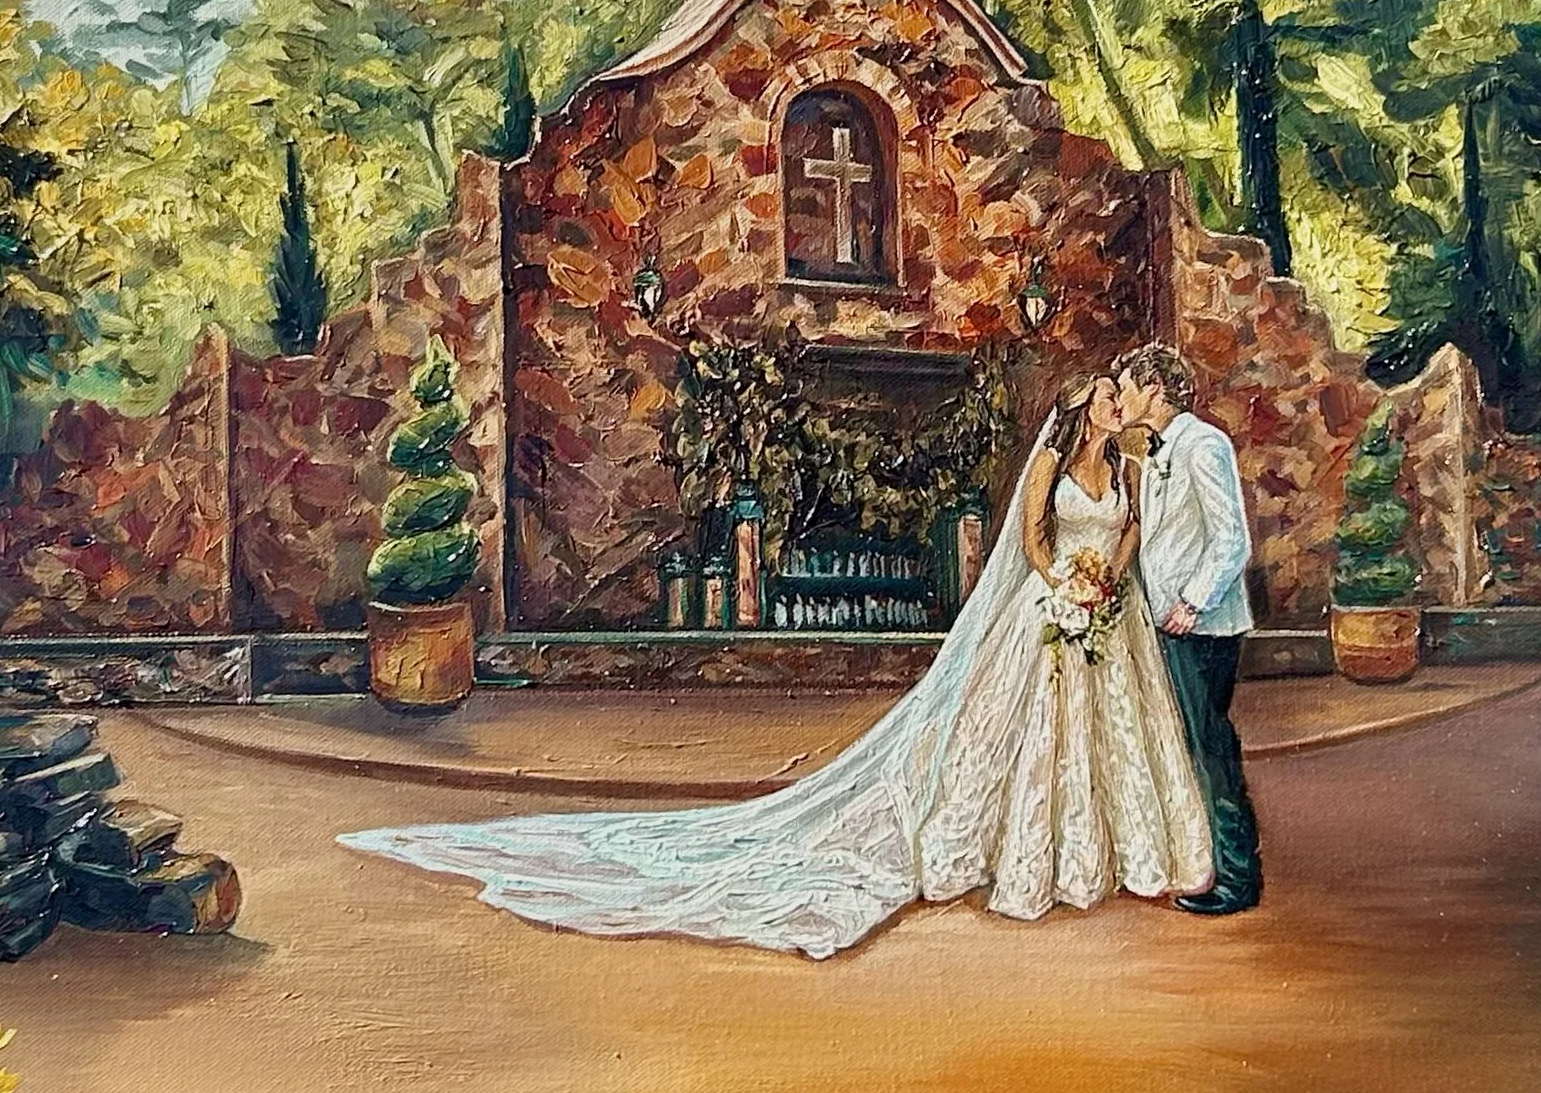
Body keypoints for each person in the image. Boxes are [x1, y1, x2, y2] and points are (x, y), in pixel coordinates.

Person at [337, 372, 1216, 958]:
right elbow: (1030, 538)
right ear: (1082, 410)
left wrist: (1107, 575)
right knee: (1022, 739)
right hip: (1053, 602)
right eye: (1103, 396)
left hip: (1105, 611)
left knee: (1107, 739)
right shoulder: (1054, 462)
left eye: (1114, 397)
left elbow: (1128, 526)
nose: (1111, 405)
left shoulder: (1130, 465)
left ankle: (1105, 857)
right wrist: (1065, 577)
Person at [1109, 343, 1262, 914]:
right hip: (1169, 624)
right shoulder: (1157, 453)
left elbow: (1232, 540)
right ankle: (1204, 864)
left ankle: (1237, 879)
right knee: (1189, 747)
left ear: (1153, 387)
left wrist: (1193, 604)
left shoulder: (1203, 444)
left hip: (1203, 627)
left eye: (1126, 385)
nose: (1120, 397)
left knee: (1210, 749)